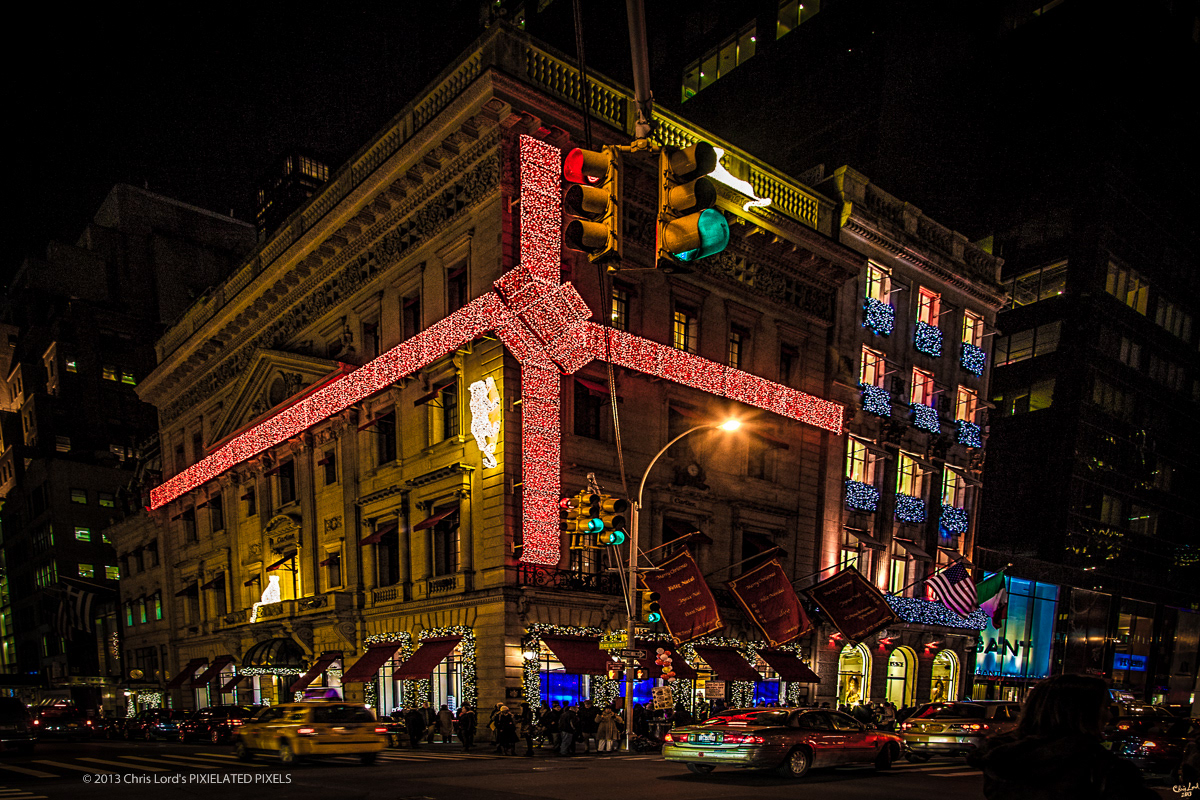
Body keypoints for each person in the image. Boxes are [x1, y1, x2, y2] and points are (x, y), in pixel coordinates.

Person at [970, 674, 1157, 800]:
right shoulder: (1102, 768)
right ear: (1082, 713)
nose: (1108, 716)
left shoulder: (1004, 759)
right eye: (1105, 707)